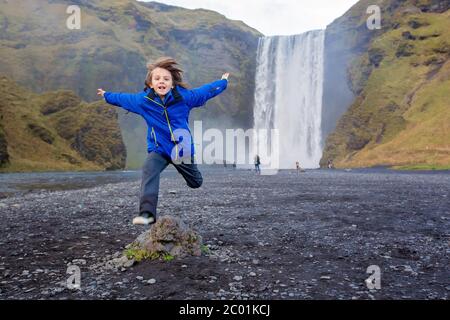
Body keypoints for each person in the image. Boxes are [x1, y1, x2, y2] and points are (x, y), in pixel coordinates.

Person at [97, 57, 229, 225]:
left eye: (166, 79)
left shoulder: (185, 98)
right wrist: (107, 96)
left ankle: (193, 177)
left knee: (195, 182)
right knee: (148, 170)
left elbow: (207, 91)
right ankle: (147, 214)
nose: (162, 81)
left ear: (172, 83)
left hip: (182, 151)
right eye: (157, 78)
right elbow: (124, 98)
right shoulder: (143, 101)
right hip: (159, 149)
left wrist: (223, 82)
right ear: (151, 84)